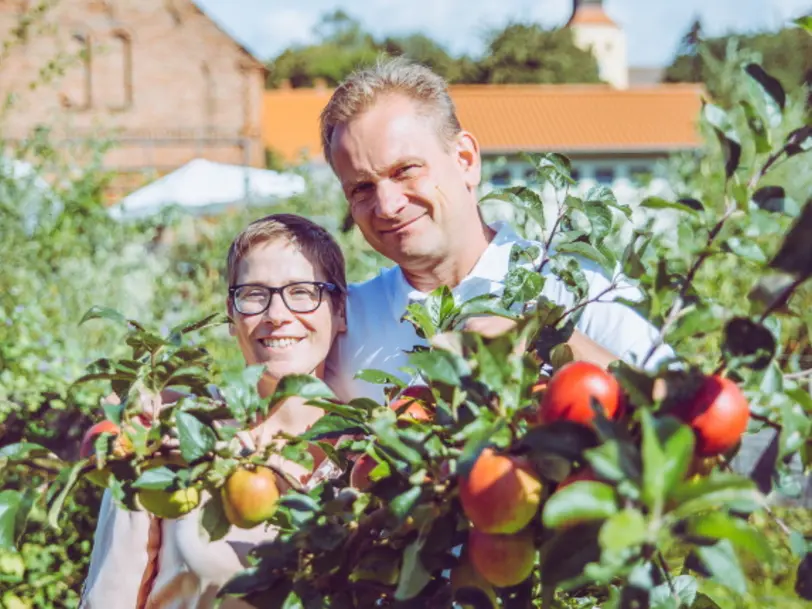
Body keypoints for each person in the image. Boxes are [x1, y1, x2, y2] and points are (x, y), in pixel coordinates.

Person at [320, 56, 673, 403]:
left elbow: (690, 418)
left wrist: (551, 342)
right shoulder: (345, 323)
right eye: (361, 188)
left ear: (465, 160)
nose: (387, 205)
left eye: (406, 170)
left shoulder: (575, 287)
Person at [80, 213, 348, 609]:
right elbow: (109, 598)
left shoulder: (369, 452)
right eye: (255, 294)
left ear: (339, 310)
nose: (277, 315)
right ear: (231, 314)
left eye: (303, 291)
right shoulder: (174, 434)